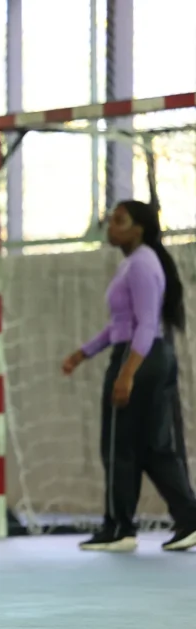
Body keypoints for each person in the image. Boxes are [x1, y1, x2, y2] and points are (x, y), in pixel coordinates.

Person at [62, 199, 196, 553]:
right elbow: (120, 325)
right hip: (146, 356)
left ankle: (119, 528)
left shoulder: (141, 265)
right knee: (152, 447)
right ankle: (189, 519)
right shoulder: (135, 263)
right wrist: (83, 353)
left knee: (118, 446)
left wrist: (127, 374)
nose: (111, 227)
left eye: (119, 221)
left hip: (140, 358)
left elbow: (147, 325)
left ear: (139, 229)